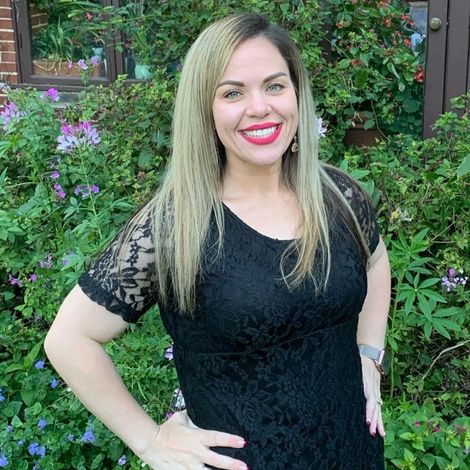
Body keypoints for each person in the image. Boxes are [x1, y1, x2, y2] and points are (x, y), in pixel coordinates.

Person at [45, 13, 390, 470]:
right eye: (232, 93)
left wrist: (369, 354)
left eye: (274, 85)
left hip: (355, 451)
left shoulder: (339, 196)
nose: (260, 107)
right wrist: (149, 442)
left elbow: (375, 262)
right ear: (204, 109)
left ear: (297, 93)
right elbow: (69, 339)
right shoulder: (176, 225)